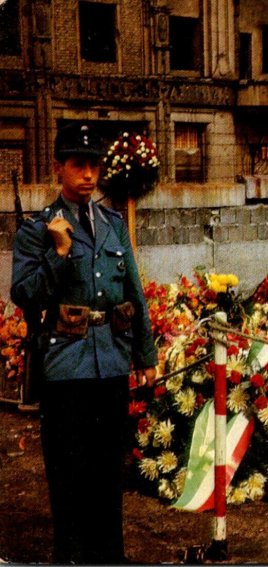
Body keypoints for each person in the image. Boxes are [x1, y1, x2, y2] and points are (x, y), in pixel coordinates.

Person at [11, 122, 157, 564]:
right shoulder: (39, 228)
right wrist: (57, 255)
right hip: (66, 368)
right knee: (69, 476)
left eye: (94, 165)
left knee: (108, 475)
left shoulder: (112, 224)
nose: (88, 174)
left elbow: (133, 289)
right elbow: (24, 294)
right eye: (79, 165)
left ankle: (109, 557)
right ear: (59, 168)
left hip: (110, 364)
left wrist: (145, 355)